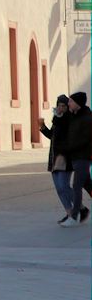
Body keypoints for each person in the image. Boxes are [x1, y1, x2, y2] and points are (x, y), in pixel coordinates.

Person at [40, 95, 76, 224]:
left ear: (67, 107)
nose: (61, 108)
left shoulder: (68, 120)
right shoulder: (57, 119)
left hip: (65, 159)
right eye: (59, 105)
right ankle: (69, 213)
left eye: (63, 106)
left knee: (64, 186)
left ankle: (80, 207)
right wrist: (43, 128)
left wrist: (58, 118)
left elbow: (67, 138)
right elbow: (52, 137)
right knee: (59, 189)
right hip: (54, 158)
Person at [65, 91, 92, 224]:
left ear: (78, 103)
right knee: (88, 184)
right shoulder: (73, 116)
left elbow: (85, 139)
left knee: (76, 186)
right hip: (75, 156)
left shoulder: (87, 118)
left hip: (84, 156)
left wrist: (70, 147)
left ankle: (74, 217)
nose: (68, 103)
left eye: (71, 101)